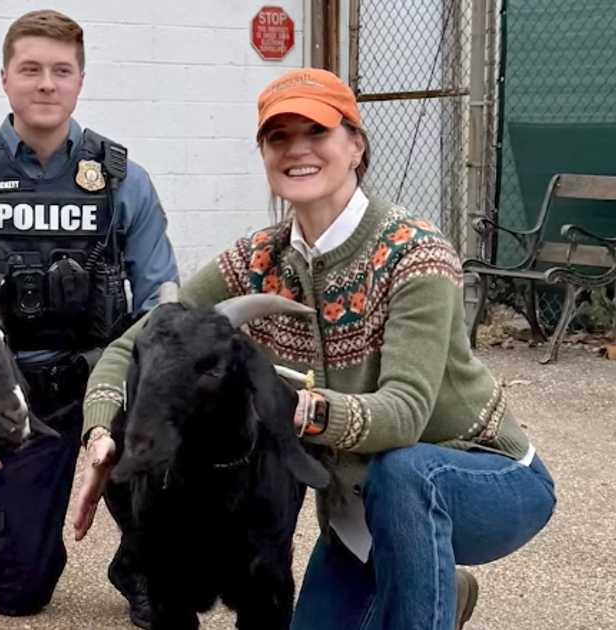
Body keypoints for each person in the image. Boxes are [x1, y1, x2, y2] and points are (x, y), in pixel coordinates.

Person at [72, 67, 557, 630]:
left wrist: (296, 407)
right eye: (279, 137)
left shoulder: (415, 253)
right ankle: (430, 583)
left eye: (317, 133)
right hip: (359, 514)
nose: (297, 150)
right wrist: (103, 432)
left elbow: (403, 414)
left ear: (355, 146)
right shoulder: (255, 261)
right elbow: (135, 343)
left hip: (483, 479)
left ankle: (422, 599)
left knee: (404, 472)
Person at [0, 9, 179, 620]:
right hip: (10, 399)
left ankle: (142, 564)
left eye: (61, 71)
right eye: (31, 69)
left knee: (169, 596)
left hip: (106, 388)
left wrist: (143, 399)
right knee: (17, 594)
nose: (46, 83)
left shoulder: (124, 181)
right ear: (5, 79)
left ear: (80, 80)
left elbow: (160, 306)